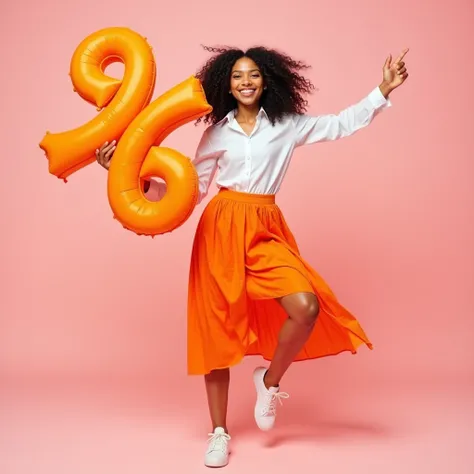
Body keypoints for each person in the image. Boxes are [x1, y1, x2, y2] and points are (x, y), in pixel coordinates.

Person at [96, 45, 409, 468]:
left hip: (264, 226)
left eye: (254, 75)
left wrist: (382, 90)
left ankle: (269, 379)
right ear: (226, 83)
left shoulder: (286, 125)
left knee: (306, 306)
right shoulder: (216, 134)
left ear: (268, 81)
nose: (246, 82)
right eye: (238, 76)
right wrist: (121, 173)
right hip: (220, 228)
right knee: (217, 331)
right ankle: (219, 432)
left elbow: (338, 125)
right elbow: (188, 193)